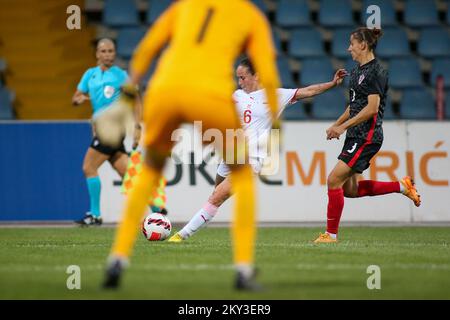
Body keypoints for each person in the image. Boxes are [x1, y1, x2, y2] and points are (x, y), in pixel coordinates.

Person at [101, 0, 281, 291]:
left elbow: (146, 49)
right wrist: (277, 126)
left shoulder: (184, 7)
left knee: (149, 172)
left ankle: (118, 259)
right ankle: (244, 270)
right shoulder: (250, 15)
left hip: (164, 91)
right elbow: (268, 72)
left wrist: (127, 96)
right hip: (210, 96)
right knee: (243, 176)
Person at [168, 57, 347, 242]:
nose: (240, 82)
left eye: (243, 77)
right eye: (238, 78)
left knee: (216, 197)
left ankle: (181, 236)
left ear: (257, 76)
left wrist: (333, 84)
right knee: (216, 194)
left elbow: (309, 91)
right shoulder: (236, 96)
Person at [313, 28, 421, 244]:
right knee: (350, 190)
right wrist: (337, 124)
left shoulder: (377, 72)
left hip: (367, 136)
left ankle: (330, 236)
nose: (349, 48)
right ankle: (402, 186)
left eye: (352, 43)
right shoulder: (355, 72)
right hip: (355, 135)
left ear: (363, 44)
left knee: (333, 180)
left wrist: (343, 128)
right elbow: (354, 107)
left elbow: (372, 108)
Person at [72, 38, 142, 226]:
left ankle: (95, 214)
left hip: (113, 128)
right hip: (98, 128)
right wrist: (78, 99)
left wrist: (137, 126)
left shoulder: (120, 75)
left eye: (111, 51)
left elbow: (135, 100)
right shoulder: (90, 75)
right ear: (97, 53)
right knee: (126, 172)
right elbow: (77, 95)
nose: (108, 55)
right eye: (104, 51)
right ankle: (156, 208)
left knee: (88, 167)